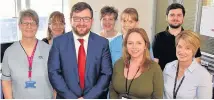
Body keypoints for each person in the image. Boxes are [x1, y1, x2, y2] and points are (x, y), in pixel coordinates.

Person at [48, 2, 112, 99]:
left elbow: (106, 74)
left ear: (92, 21)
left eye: (86, 19)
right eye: (77, 19)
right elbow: (54, 73)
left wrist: (88, 98)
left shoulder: (102, 43)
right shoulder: (58, 43)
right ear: (70, 20)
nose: (81, 23)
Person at [1, 9, 53, 99]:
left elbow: (56, 80)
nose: (29, 26)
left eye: (33, 23)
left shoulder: (49, 50)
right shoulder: (9, 52)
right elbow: (6, 81)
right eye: (25, 23)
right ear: (19, 25)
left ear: (37, 26)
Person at [110, 28, 163, 99]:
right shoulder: (118, 64)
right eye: (130, 43)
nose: (134, 47)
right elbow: (112, 90)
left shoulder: (155, 68)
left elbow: (158, 97)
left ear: (145, 45)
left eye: (139, 43)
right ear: (126, 45)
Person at [163, 30, 212, 99]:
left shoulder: (203, 75)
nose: (182, 51)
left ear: (194, 50)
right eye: (179, 46)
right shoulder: (168, 67)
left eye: (187, 48)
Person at [152, 3, 201, 70]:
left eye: (179, 15)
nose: (175, 18)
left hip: (185, 78)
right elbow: (155, 62)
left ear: (183, 18)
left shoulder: (191, 38)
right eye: (172, 15)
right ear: (166, 17)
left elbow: (197, 61)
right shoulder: (158, 38)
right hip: (164, 78)